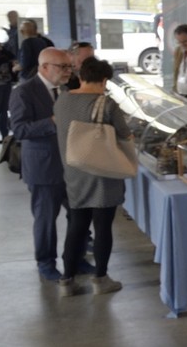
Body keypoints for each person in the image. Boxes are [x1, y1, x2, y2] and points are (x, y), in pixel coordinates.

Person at [53, 56, 131, 297]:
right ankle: (100, 279)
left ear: (81, 76)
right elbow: (125, 134)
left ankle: (67, 280)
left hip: (74, 171)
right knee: (102, 227)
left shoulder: (62, 100)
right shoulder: (106, 104)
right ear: (104, 80)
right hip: (102, 172)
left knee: (76, 226)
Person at [9, 47, 76, 282]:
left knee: (78, 215)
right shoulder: (24, 92)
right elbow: (19, 130)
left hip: (71, 166)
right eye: (63, 67)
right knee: (46, 219)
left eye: (69, 66)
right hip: (43, 168)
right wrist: (52, 121)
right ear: (45, 67)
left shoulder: (65, 90)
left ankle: (75, 258)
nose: (68, 71)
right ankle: (46, 263)